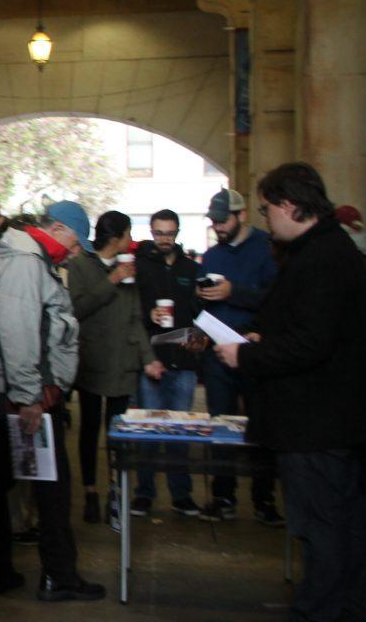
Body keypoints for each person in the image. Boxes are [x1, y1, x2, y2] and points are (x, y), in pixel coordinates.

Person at [213, 162, 366, 621]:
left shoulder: (322, 257)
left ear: (289, 205)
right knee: (339, 526)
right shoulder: (320, 250)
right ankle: (342, 606)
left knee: (323, 529)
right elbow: (306, 325)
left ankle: (322, 611)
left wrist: (246, 356)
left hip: (317, 423)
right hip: (327, 419)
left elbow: (312, 343)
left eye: (266, 209)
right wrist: (267, 336)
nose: (265, 219)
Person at [0, 215, 105, 601]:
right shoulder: (27, 262)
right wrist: (29, 397)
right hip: (26, 400)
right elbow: (17, 331)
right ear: (58, 229)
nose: (75, 254)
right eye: (76, 244)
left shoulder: (14, 255)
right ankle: (58, 576)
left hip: (0, 396)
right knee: (51, 489)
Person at [196, 188, 282, 525]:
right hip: (217, 354)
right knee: (220, 427)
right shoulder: (212, 255)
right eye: (213, 221)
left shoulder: (266, 250)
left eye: (222, 220)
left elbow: (276, 301)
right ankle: (223, 495)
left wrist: (236, 292)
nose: (217, 227)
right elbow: (206, 304)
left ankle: (264, 499)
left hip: (254, 353)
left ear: (241, 215)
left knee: (260, 427)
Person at [67, 210, 154, 527]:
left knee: (118, 434)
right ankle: (90, 491)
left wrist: (148, 358)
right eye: (128, 235)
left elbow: (135, 318)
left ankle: (116, 492)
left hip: (122, 365)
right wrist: (110, 282)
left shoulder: (128, 270)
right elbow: (76, 309)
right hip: (91, 364)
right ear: (115, 239)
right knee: (89, 431)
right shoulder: (79, 267)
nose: (131, 242)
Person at [130, 209, 201, 517]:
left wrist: (199, 337)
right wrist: (149, 315)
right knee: (148, 430)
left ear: (177, 232)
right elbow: (133, 309)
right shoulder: (142, 267)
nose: (164, 239)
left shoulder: (190, 268)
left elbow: (198, 310)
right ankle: (144, 493)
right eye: (159, 233)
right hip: (153, 360)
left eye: (169, 233)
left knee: (179, 432)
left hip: (183, 361)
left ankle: (181, 494)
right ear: (151, 231)